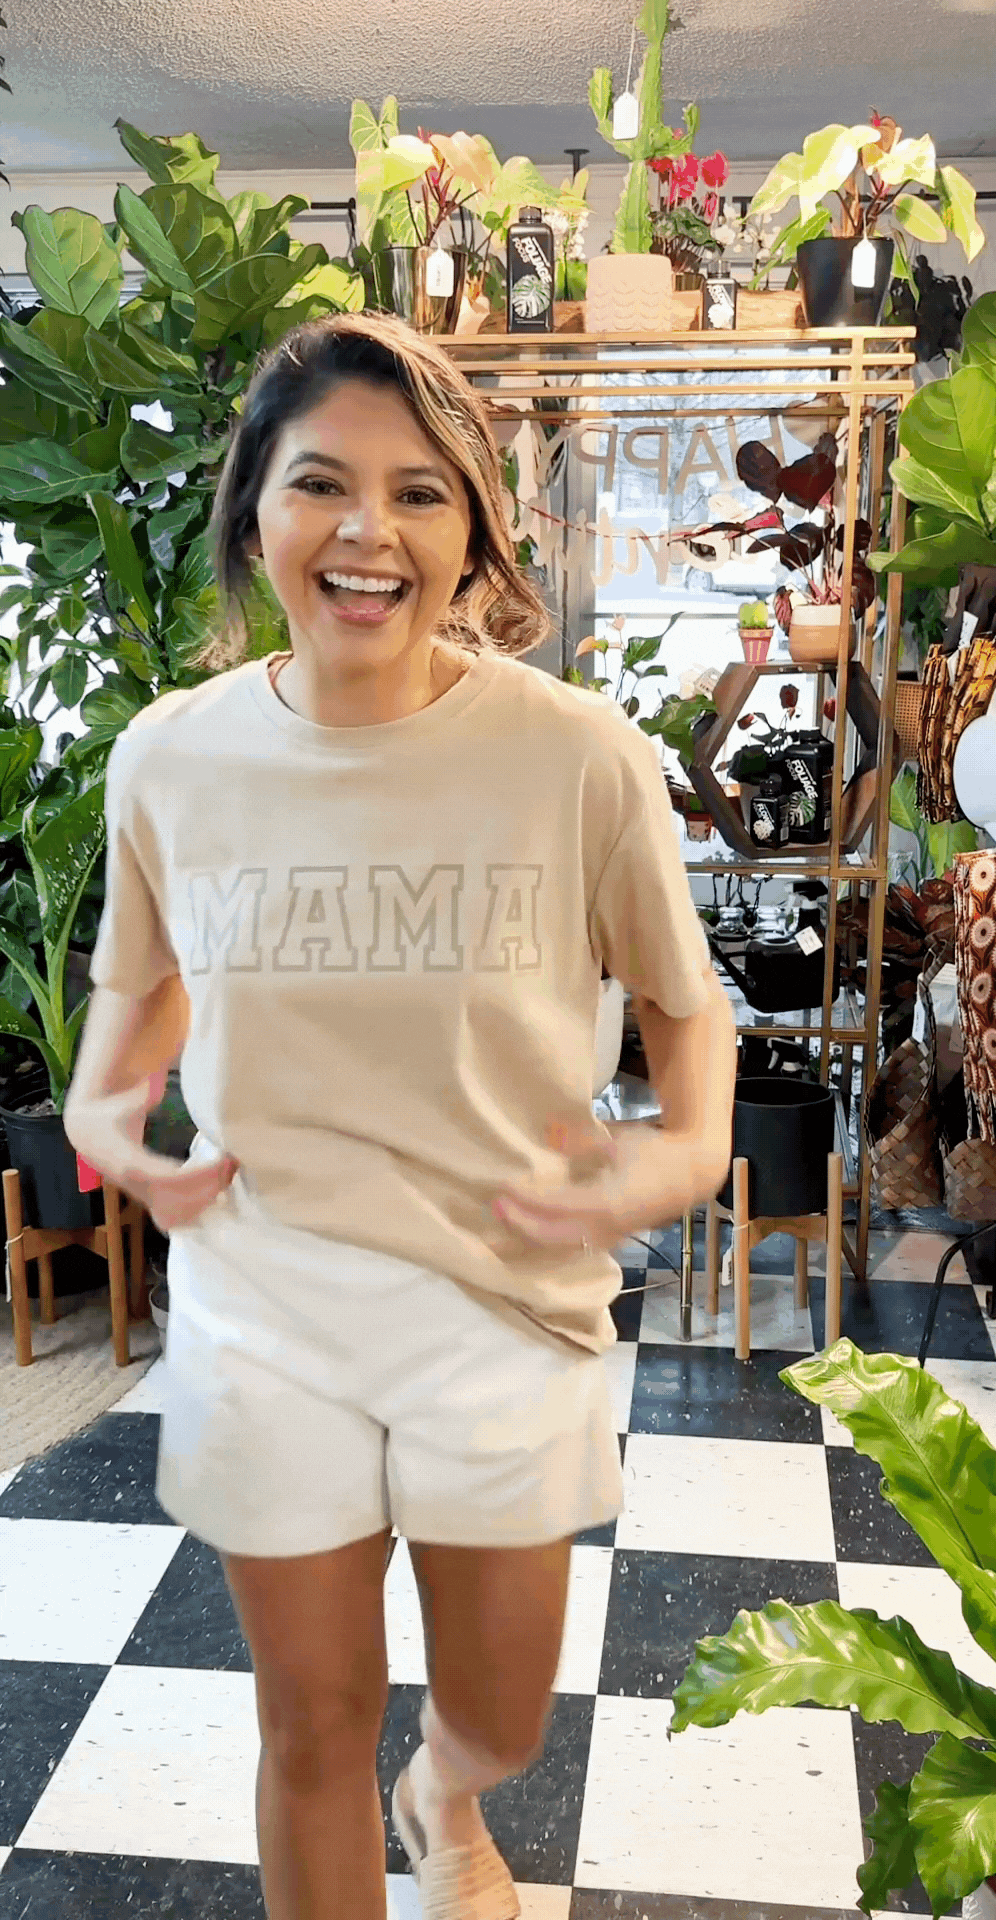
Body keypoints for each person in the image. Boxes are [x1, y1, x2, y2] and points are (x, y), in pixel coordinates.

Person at [64, 310, 736, 1920]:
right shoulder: (170, 759)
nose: (368, 530)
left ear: (471, 538)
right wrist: (110, 1124)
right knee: (308, 1725)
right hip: (268, 1288)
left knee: (501, 1714)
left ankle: (447, 1794)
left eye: (419, 493)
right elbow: (138, 1001)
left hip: (501, 1288)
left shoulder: (577, 759)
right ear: (255, 516)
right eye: (323, 484)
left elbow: (685, 1006)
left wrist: (680, 1151)